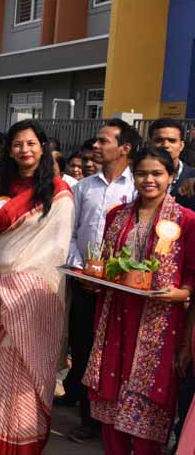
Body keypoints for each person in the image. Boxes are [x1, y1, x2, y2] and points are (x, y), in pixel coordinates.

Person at [0, 121, 74, 454]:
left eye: (30, 143)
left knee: (28, 370)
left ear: (42, 148)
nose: (24, 149)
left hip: (36, 296)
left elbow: (56, 250)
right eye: (17, 144)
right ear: (9, 150)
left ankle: (23, 441)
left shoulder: (57, 192)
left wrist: (20, 285)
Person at [83, 147, 195, 454]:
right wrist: (94, 279)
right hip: (115, 317)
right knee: (110, 400)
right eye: (142, 173)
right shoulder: (117, 215)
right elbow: (106, 260)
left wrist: (182, 293)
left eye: (157, 173)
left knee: (150, 406)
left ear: (171, 177)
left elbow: (191, 275)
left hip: (160, 324)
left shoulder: (187, 220)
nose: (149, 180)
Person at [63, 119, 139, 443]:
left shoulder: (136, 188)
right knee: (82, 350)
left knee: (114, 354)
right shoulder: (83, 188)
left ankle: (114, 421)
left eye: (103, 140)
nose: (95, 145)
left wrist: (112, 276)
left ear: (125, 148)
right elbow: (70, 233)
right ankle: (87, 419)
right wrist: (81, 269)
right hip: (83, 284)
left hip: (119, 288)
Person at [150, 118, 195, 208]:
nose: (165, 145)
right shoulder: (136, 176)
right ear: (150, 144)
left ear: (181, 146)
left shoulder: (192, 177)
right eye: (159, 140)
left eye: (172, 140)